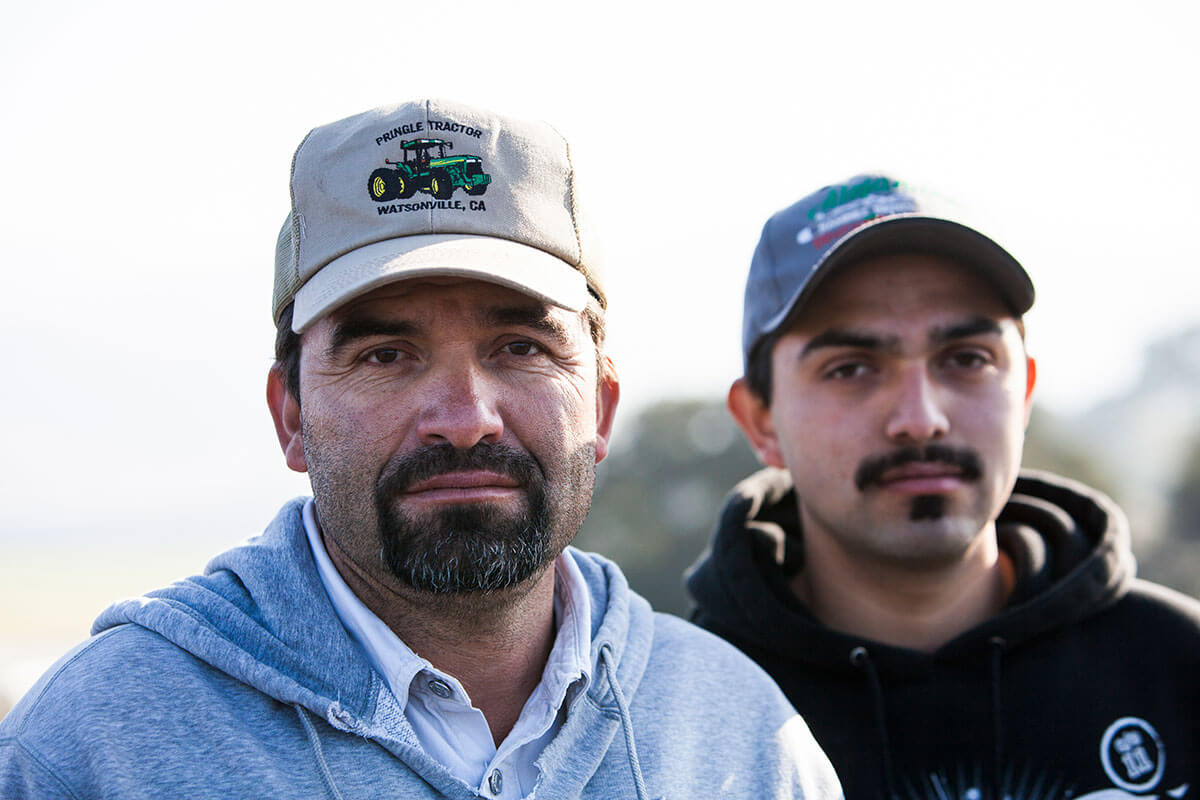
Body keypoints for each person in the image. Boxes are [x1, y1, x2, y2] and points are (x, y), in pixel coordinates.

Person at [0, 99, 842, 799]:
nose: (464, 417)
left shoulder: (740, 738)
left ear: (603, 409)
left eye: (520, 347)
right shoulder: (93, 749)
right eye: (384, 356)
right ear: (289, 415)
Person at [687, 174, 1200, 800]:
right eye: (850, 368)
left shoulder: (1180, 664)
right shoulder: (675, 716)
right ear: (761, 421)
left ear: (1026, 390)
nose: (921, 417)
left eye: (967, 358)